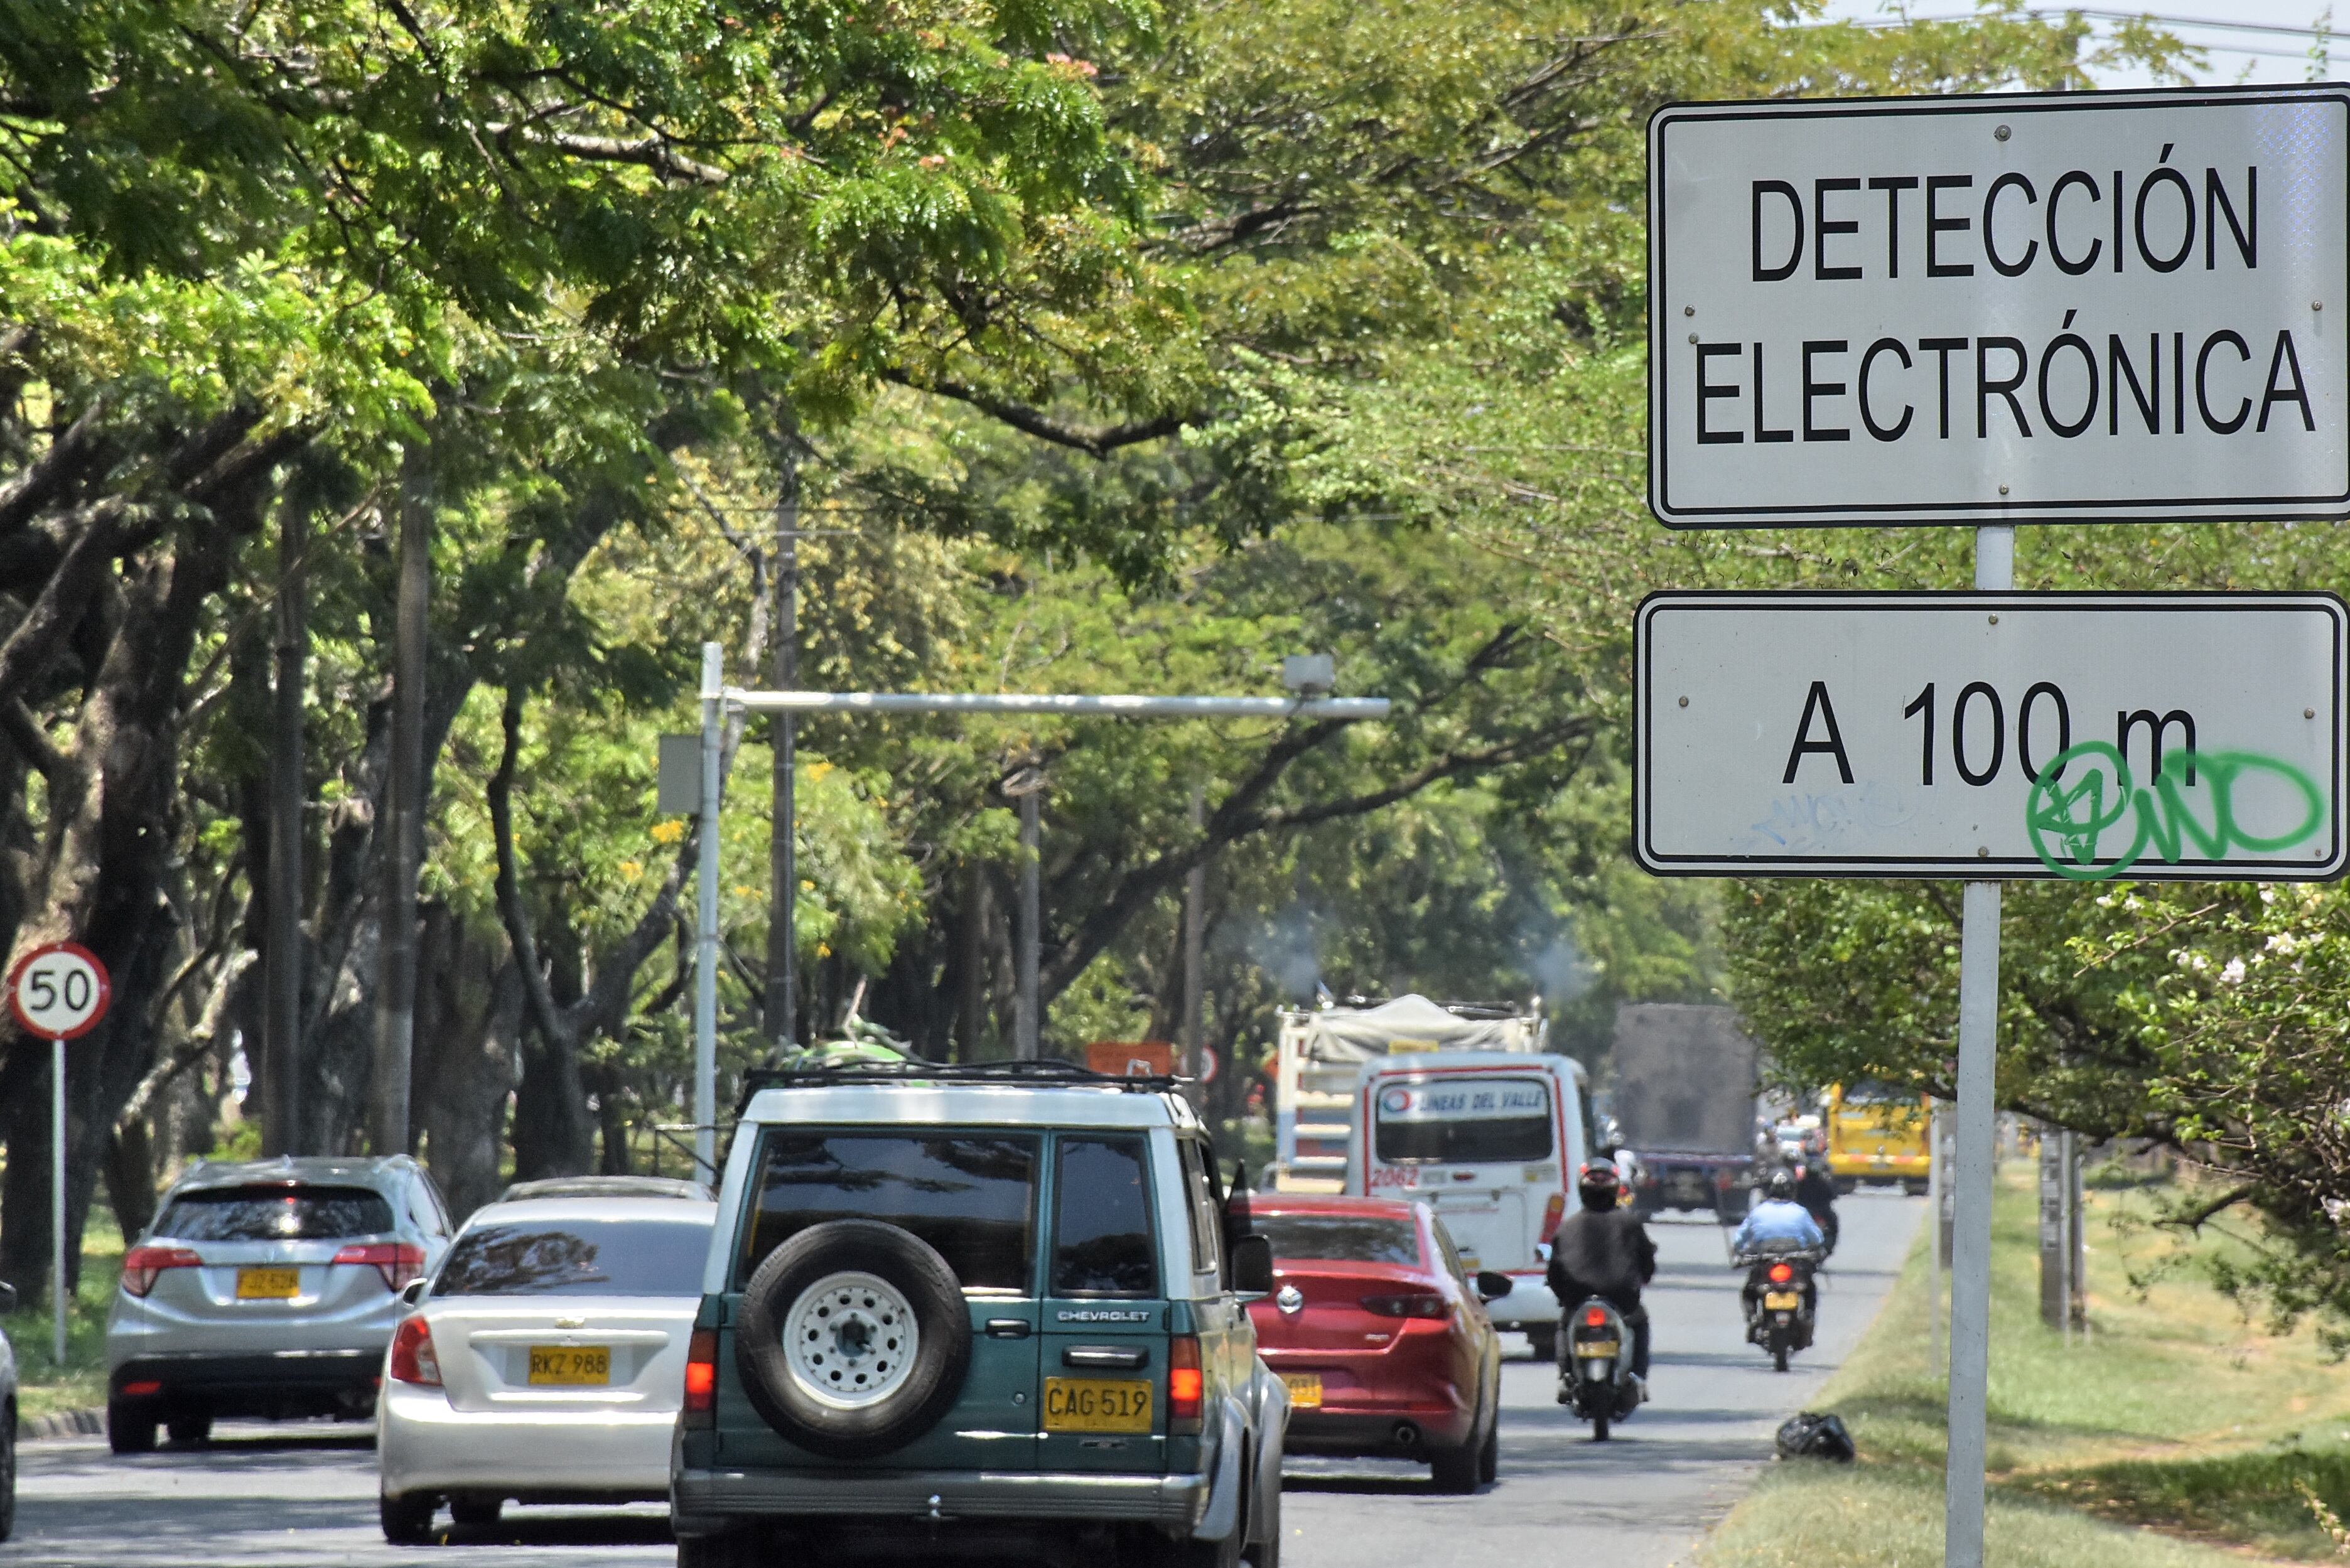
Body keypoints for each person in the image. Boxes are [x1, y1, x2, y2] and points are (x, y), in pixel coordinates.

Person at [1546, 1163, 1657, 1393]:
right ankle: (1638, 1377)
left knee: (1564, 1324)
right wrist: (1642, 1279)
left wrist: (1564, 1297)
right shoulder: (1631, 1223)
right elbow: (1647, 1262)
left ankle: (1565, 1376)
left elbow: (1554, 1272)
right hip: (1622, 1297)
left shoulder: (1567, 1227)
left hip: (1577, 1298)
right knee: (1641, 1321)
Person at [1734, 1169, 1825, 1313]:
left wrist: (1738, 1252)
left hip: (1764, 1257)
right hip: (1796, 1259)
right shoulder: (1800, 1212)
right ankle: (1808, 1316)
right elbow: (1818, 1239)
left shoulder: (1758, 1212)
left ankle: (1752, 1317)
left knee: (1750, 1290)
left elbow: (1739, 1239)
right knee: (1809, 1288)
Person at [1791, 1160, 1840, 1254]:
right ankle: (1828, 1247)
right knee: (1833, 1224)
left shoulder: (1801, 1184)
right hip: (1819, 1211)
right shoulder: (1823, 1183)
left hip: (1809, 1211)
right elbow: (1833, 1195)